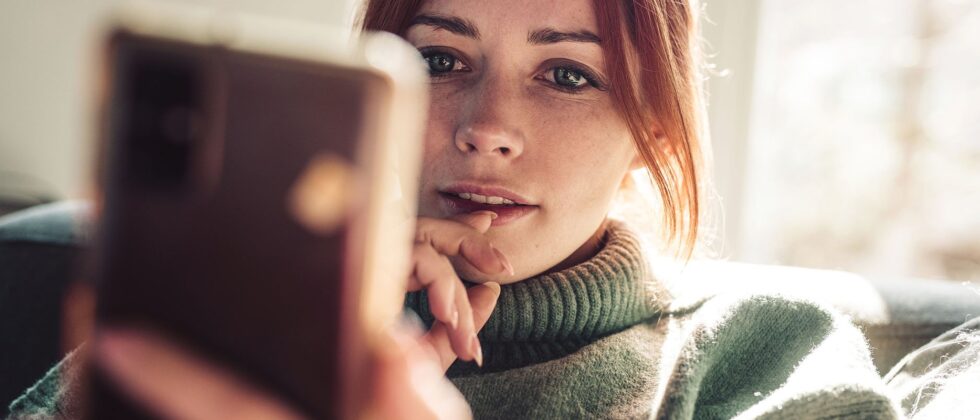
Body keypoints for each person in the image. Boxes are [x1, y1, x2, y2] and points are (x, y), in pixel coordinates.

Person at [9, 0, 937, 418]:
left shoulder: (770, 355)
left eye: (568, 74)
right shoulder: (219, 319)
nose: (489, 128)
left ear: (653, 132)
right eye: (442, 60)